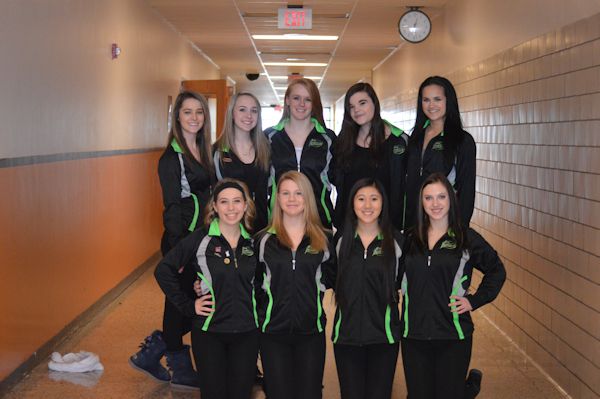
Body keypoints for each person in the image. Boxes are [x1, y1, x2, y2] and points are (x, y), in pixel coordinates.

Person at [129, 90, 213, 389]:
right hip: (182, 242)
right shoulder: (171, 158)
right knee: (179, 305)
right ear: (177, 117)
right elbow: (172, 206)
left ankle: (154, 351)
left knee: (189, 303)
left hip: (201, 239)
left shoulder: (206, 151)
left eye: (199, 112)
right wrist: (178, 252)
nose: (193, 118)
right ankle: (179, 367)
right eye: (187, 112)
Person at [399, 173, 506, 399]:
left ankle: (464, 391)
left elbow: (497, 270)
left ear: (451, 199)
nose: (435, 204)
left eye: (441, 197)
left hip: (453, 335)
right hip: (413, 334)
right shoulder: (410, 238)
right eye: (428, 198)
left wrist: (473, 301)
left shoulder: (466, 238)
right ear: (421, 202)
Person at [155, 179, 259, 399]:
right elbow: (164, 270)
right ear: (214, 206)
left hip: (247, 332)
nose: (231, 208)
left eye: (237, 201)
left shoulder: (255, 242)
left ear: (245, 205)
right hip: (209, 332)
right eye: (224, 202)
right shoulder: (200, 238)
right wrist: (188, 305)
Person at [255, 171, 334, 399]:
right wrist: (203, 286)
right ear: (277, 198)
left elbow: (337, 278)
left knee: (309, 394)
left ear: (307, 197)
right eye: (286, 193)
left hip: (311, 333)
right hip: (272, 333)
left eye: (298, 193)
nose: (292, 199)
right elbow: (247, 282)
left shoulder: (324, 239)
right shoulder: (262, 241)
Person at [331, 178, 404, 399]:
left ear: (383, 203)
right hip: (346, 337)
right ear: (352, 203)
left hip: (384, 338)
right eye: (361, 199)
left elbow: (408, 282)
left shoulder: (397, 242)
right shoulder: (340, 241)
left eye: (374, 199)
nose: (367, 205)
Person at [333, 83, 409, 231]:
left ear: (375, 103)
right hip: (349, 227)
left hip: (387, 227)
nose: (357, 110)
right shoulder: (343, 142)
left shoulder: (398, 141)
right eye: (351, 106)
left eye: (362, 103)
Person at [405, 76, 476, 230]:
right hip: (414, 223)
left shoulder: (462, 141)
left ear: (448, 101)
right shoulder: (415, 138)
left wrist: (460, 228)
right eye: (426, 100)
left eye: (437, 99)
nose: (431, 105)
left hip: (445, 224)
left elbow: (467, 189)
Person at [265, 78, 336, 228]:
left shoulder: (327, 138)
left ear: (314, 104)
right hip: (280, 220)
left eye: (308, 99)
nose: (301, 104)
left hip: (319, 219)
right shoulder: (269, 137)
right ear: (287, 101)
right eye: (296, 98)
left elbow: (340, 179)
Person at [214, 92, 270, 232]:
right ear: (232, 114)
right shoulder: (217, 152)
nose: (249, 116)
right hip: (230, 229)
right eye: (242, 109)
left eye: (254, 111)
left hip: (261, 228)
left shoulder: (266, 149)